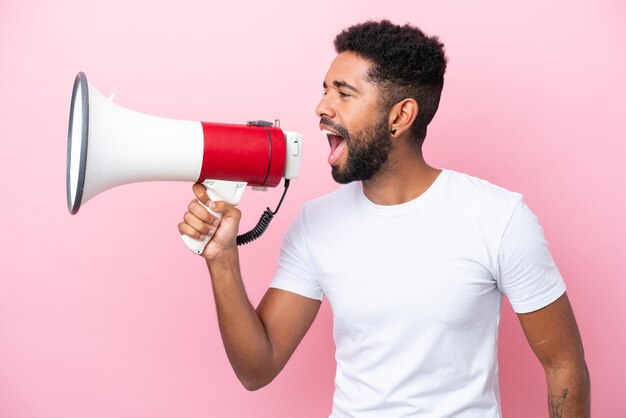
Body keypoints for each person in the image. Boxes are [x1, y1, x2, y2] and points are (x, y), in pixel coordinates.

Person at [178, 20, 590, 418]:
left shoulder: (499, 217)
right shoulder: (315, 224)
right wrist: (223, 259)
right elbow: (257, 368)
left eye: (344, 93)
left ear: (400, 116)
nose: (322, 108)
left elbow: (563, 364)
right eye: (325, 91)